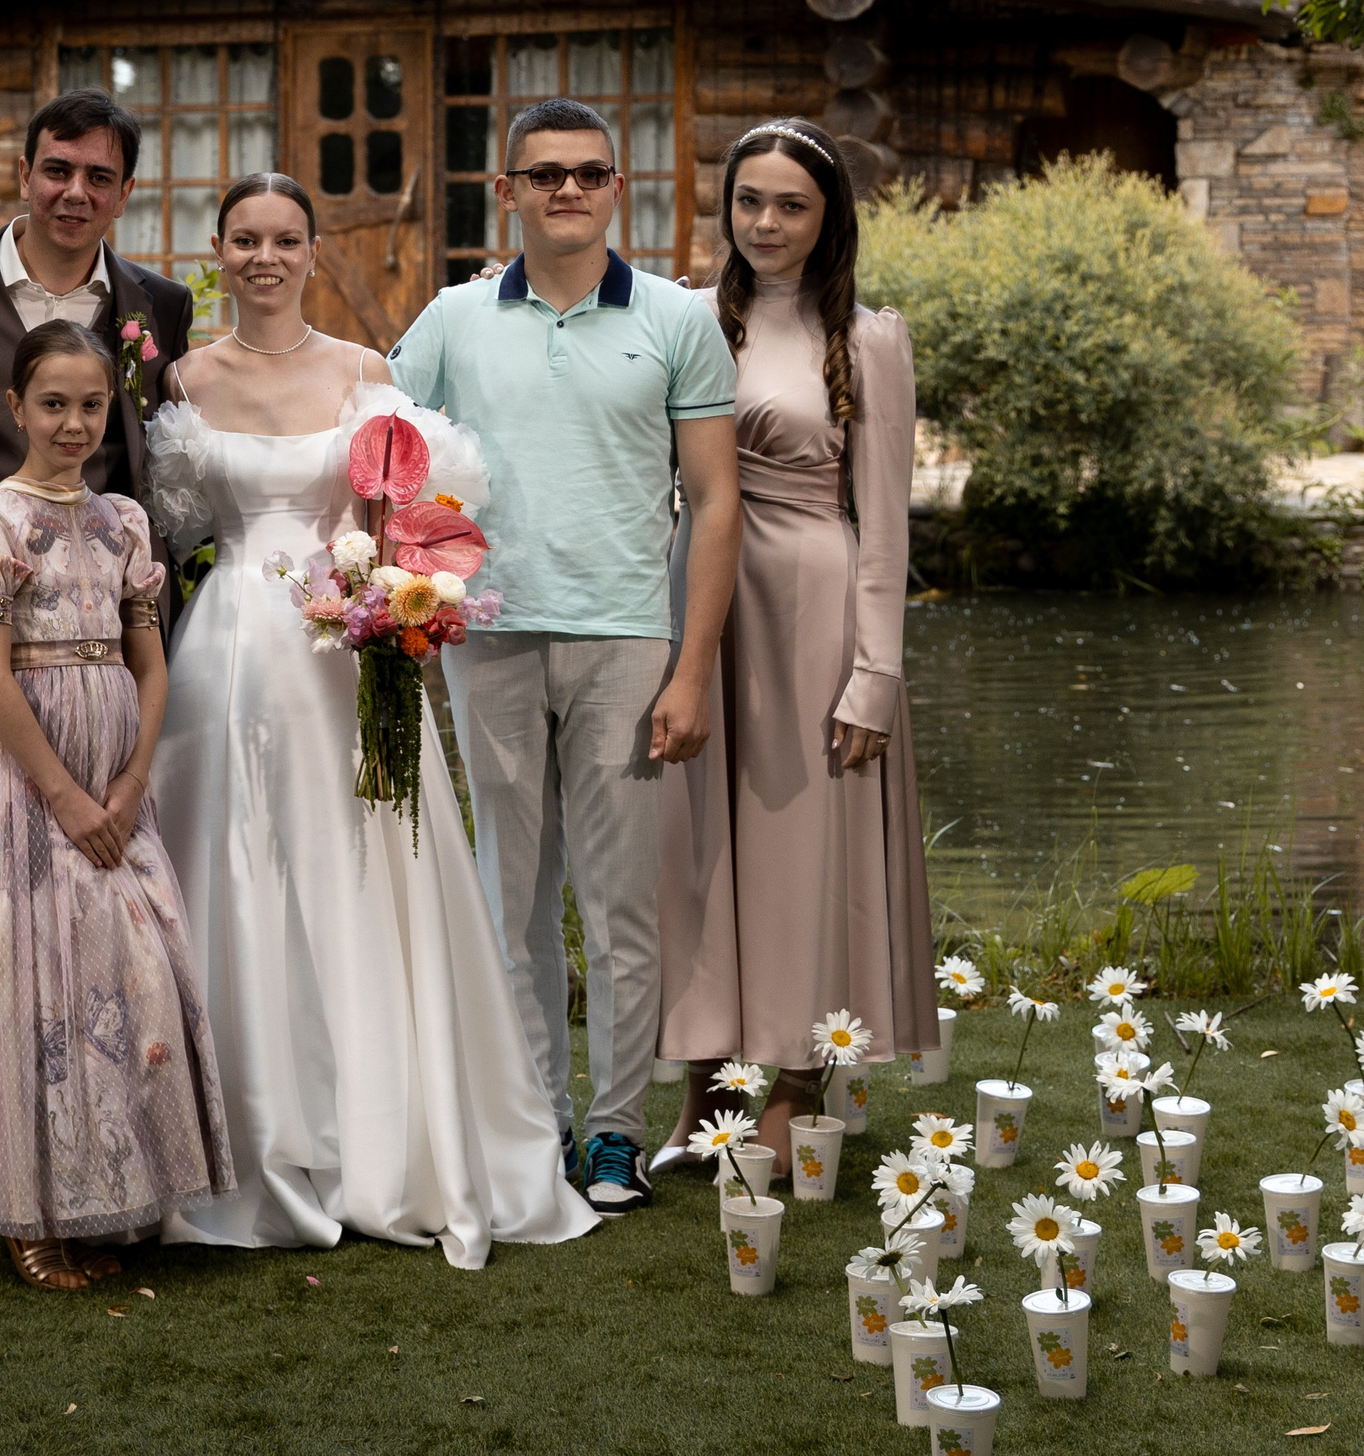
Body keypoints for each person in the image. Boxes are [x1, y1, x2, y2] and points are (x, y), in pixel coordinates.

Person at [148, 174, 598, 1267]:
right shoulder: (183, 378)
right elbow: (171, 530)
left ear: (310, 250)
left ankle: (384, 1138)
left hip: (338, 655)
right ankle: (246, 1142)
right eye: (245, 239)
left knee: (360, 866)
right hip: (223, 660)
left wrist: (397, 602)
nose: (265, 256)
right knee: (232, 871)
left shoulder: (365, 373)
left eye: (285, 238)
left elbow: (413, 521)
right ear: (218, 251)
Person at [385, 99, 743, 1218]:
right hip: (484, 633)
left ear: (615, 188)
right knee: (510, 896)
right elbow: (385, 466)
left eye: (587, 174)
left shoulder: (680, 320)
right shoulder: (449, 320)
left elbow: (718, 500)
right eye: (542, 175)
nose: (566, 192)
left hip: (628, 637)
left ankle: (613, 1137)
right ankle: (532, 1122)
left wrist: (691, 667)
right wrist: (406, 596)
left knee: (621, 900)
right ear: (506, 193)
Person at [652, 120, 938, 1173]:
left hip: (809, 607)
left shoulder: (865, 338)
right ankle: (704, 1082)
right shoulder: (683, 319)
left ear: (828, 219)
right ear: (725, 210)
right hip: (693, 599)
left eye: (791, 205)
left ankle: (799, 1076)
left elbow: (884, 521)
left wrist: (875, 674)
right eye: (748, 202)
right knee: (694, 848)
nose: (765, 223)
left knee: (795, 851)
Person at [0, 318, 235, 1290]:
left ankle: (113, 1188)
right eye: (53, 404)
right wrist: (65, 797)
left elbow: (149, 661)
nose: (72, 423)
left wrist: (132, 780)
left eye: (91, 405)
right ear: (15, 406)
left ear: (114, 411)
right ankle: (28, 1213)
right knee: (36, 977)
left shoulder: (124, 524)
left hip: (115, 777)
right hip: (23, 777)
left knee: (125, 966)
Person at [0, 91, 195, 854]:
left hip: (102, 639)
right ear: (25, 172)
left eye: (99, 177)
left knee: (99, 850)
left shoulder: (158, 304)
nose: (75, 192)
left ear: (125, 194)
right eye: (57, 169)